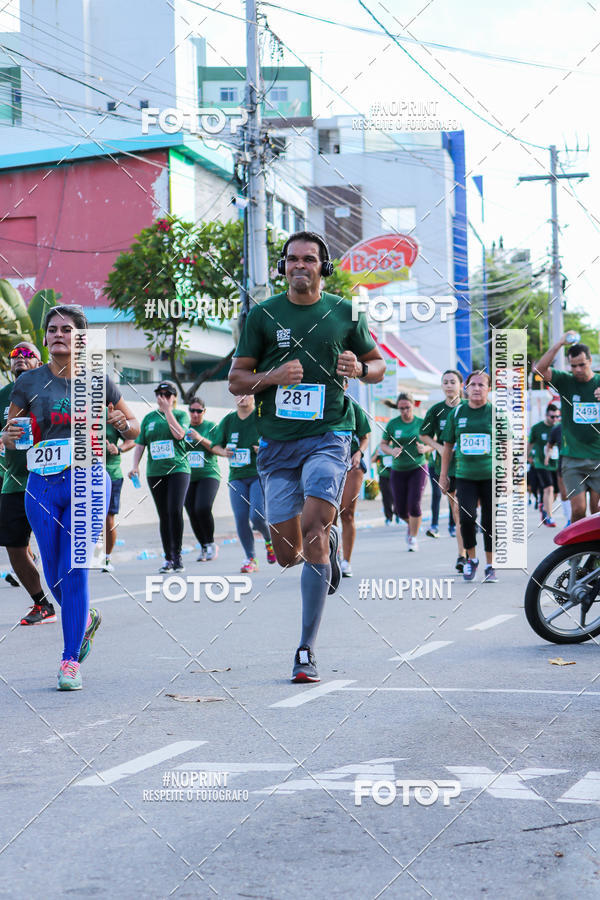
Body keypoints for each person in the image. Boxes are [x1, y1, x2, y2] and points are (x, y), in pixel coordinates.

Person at [229, 230, 384, 683]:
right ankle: (327, 546)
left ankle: (305, 649)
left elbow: (379, 366)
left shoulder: (346, 311)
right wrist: (273, 376)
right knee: (286, 552)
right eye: (293, 259)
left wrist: (360, 368)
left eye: (310, 259)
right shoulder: (262, 315)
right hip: (276, 446)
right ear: (283, 266)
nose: (301, 265)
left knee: (315, 525)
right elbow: (237, 381)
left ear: (323, 266)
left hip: (329, 435)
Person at [4, 305, 139, 690]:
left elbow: (133, 426)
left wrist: (121, 423)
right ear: (45, 337)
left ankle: (69, 662)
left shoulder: (101, 381)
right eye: (53, 329)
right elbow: (10, 432)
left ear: (81, 338)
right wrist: (7, 435)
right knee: (52, 571)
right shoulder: (28, 383)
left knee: (74, 568)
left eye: (67, 329)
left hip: (88, 480)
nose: (59, 334)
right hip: (41, 485)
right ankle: (86, 617)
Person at [0, 341, 57, 621]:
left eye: (27, 354)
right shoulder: (2, 396)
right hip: (13, 481)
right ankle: (42, 604)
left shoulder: (50, 390)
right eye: (15, 354)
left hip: (49, 478)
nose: (20, 357)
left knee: (53, 547)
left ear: (39, 361)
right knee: (14, 546)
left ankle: (74, 603)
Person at [440, 371, 497, 583]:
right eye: (472, 385)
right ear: (466, 387)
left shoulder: (495, 413)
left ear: (488, 388)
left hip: (490, 475)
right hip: (464, 476)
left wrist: (508, 477)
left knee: (490, 521)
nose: (476, 388)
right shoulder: (457, 413)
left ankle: (491, 565)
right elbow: (447, 447)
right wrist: (444, 475)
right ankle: (472, 559)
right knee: (466, 518)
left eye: (481, 385)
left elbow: (506, 447)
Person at [536, 335, 600, 522]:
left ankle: (594, 552)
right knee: (578, 509)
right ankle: (577, 551)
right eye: (573, 366)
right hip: (573, 459)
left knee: (596, 512)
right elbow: (540, 370)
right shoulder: (565, 381)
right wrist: (559, 343)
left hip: (598, 457)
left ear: (590, 361)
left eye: (582, 364)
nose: (578, 370)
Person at [129, 381, 190, 573]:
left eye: (167, 394)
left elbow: (180, 434)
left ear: (174, 397)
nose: (162, 397)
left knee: (174, 510)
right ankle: (168, 558)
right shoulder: (148, 418)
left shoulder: (180, 414)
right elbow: (140, 444)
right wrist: (135, 466)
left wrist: (168, 411)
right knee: (164, 514)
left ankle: (177, 555)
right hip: (155, 472)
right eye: (159, 394)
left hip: (178, 470)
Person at [211, 395, 275, 573]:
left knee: (257, 516)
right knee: (240, 518)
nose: (242, 397)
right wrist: (224, 452)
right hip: (236, 476)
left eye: (247, 393)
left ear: (254, 396)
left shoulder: (261, 418)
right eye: (239, 394)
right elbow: (215, 446)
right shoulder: (229, 421)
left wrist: (264, 448)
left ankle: (270, 541)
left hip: (257, 474)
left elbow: (278, 442)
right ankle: (250, 558)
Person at [419, 369, 466, 569]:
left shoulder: (468, 407)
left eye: (452, 382)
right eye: (445, 382)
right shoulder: (436, 410)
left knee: (468, 511)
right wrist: (439, 448)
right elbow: (424, 434)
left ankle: (473, 552)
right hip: (446, 468)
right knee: (457, 511)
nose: (448, 385)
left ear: (460, 385)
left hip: (470, 467)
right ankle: (462, 556)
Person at [380, 392, 429, 551]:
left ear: (413, 406)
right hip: (398, 469)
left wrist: (425, 448)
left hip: (418, 467)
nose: (404, 411)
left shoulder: (421, 423)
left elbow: (434, 442)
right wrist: (391, 451)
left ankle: (413, 537)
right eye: (401, 409)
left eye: (407, 408)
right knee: (401, 511)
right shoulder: (393, 424)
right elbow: (383, 444)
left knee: (414, 504)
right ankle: (413, 524)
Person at [184, 397, 221, 562]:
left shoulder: (211, 426)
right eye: (192, 410)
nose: (195, 414)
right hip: (187, 476)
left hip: (208, 474)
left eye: (199, 411)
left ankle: (211, 543)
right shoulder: (184, 428)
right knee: (192, 512)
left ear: (204, 412)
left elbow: (217, 447)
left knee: (202, 507)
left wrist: (200, 438)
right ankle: (204, 546)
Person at [339, 386, 371, 577]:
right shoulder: (317, 404)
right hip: (325, 465)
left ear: (345, 385)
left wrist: (359, 452)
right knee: (325, 516)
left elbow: (365, 437)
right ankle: (329, 557)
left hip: (351, 464)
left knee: (347, 513)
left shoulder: (352, 406)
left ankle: (346, 561)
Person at [103, 418, 135, 572]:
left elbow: (132, 439)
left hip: (111, 475)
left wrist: (118, 449)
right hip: (84, 476)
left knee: (108, 518)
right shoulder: (80, 415)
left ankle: (106, 558)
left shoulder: (112, 416)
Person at [528, 403, 560, 527]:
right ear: (546, 415)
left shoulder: (559, 428)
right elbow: (530, 444)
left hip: (556, 463)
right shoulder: (537, 428)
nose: (555, 420)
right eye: (552, 417)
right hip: (541, 463)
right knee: (549, 488)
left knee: (556, 492)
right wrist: (526, 457)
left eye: (557, 417)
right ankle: (549, 517)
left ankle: (544, 507)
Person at [544, 416, 571, 524]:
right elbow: (549, 446)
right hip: (563, 466)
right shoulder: (557, 429)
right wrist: (547, 456)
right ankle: (569, 519)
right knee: (564, 494)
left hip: (585, 465)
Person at [372, 447, 396, 524]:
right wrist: (376, 454)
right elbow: (372, 460)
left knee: (396, 495)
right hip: (384, 474)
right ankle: (389, 517)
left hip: (396, 473)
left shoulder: (397, 444)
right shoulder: (380, 447)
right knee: (386, 497)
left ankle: (399, 515)